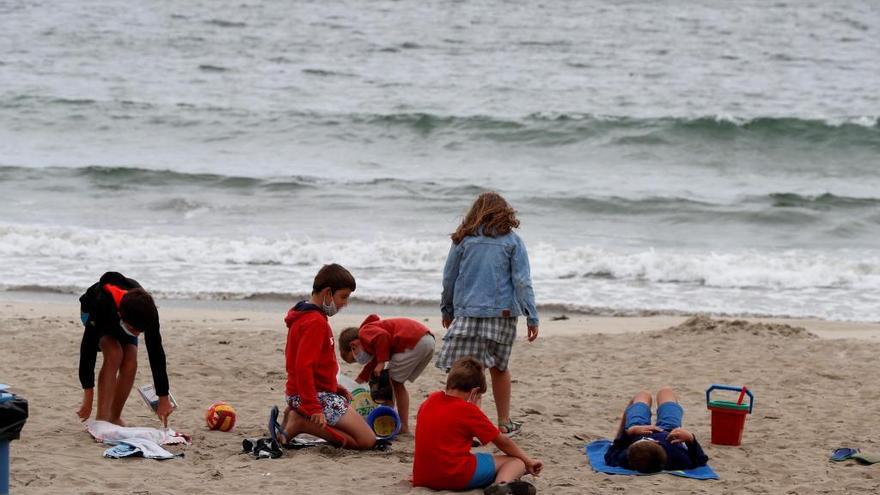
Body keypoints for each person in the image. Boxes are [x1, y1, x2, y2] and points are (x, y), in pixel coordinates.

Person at [436, 191, 539, 435]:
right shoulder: (513, 241)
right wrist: (531, 314)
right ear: (505, 214)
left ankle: (463, 424)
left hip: (468, 313)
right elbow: (522, 281)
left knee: (463, 369)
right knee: (499, 368)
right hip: (502, 315)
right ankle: (503, 423)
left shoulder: (463, 239)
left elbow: (449, 278)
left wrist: (446, 308)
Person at [272, 263, 376, 450]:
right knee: (367, 440)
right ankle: (301, 422)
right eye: (343, 297)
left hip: (303, 393)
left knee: (360, 433)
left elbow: (314, 366)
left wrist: (333, 387)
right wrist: (313, 408)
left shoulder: (306, 316)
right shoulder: (315, 322)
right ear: (328, 293)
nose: (345, 303)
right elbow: (303, 367)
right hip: (309, 396)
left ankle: (298, 416)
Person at [413, 357, 542, 495]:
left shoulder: (429, 401)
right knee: (516, 462)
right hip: (455, 475)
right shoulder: (468, 411)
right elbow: (502, 442)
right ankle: (502, 486)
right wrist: (528, 461)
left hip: (423, 477)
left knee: (480, 457)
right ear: (474, 392)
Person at [77, 271, 173, 426]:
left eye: (140, 332)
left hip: (126, 317)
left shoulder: (148, 312)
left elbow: (156, 352)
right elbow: (87, 350)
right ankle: (102, 420)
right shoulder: (102, 303)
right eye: (135, 330)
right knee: (114, 353)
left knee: (130, 361)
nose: (137, 334)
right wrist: (88, 396)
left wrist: (163, 398)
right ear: (122, 316)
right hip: (94, 314)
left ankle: (114, 417)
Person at [338, 314, 435, 434]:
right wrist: (357, 382)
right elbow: (371, 364)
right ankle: (392, 415)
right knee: (396, 383)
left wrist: (381, 362)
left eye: (354, 359)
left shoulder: (365, 332)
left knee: (393, 382)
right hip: (427, 340)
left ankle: (400, 424)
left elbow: (383, 337)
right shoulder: (373, 340)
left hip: (414, 341)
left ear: (353, 346)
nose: (358, 360)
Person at [604, 387, 709, 473]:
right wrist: (690, 439)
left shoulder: (625, 459)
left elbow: (611, 453)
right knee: (666, 392)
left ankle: (636, 404)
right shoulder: (678, 457)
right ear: (657, 442)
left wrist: (630, 432)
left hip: (638, 428)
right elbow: (700, 460)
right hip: (670, 430)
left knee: (642, 395)